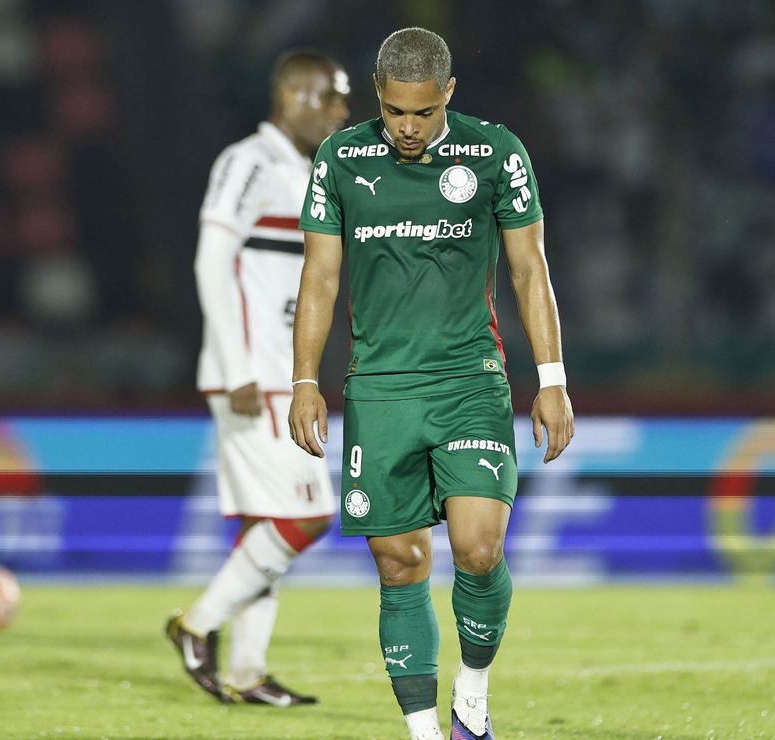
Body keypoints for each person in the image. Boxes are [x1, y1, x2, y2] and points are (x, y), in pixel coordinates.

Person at [288, 28, 575, 740]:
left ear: (448, 92)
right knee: (399, 561)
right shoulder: (341, 158)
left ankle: (472, 695)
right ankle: (424, 732)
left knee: (479, 547)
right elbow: (320, 277)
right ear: (378, 95)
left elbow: (529, 270)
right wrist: (302, 379)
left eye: (422, 112)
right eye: (395, 113)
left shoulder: (496, 153)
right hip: (379, 388)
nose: (408, 128)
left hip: (467, 380)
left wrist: (552, 379)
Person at [165, 50, 350, 705]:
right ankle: (195, 625)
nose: (342, 114)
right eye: (333, 100)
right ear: (296, 97)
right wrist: (238, 364)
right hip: (253, 374)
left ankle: (247, 670)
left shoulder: (305, 171)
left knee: (265, 524)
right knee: (310, 516)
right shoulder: (249, 161)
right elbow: (211, 259)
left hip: (280, 371)